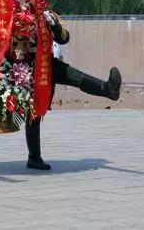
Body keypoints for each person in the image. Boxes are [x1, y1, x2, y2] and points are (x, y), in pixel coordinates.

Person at [24, 10, 122, 170]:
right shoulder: (18, 10)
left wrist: (53, 25)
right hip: (26, 65)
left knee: (75, 76)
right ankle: (34, 157)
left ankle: (108, 89)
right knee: (34, 113)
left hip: (48, 64)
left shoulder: (47, 13)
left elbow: (64, 38)